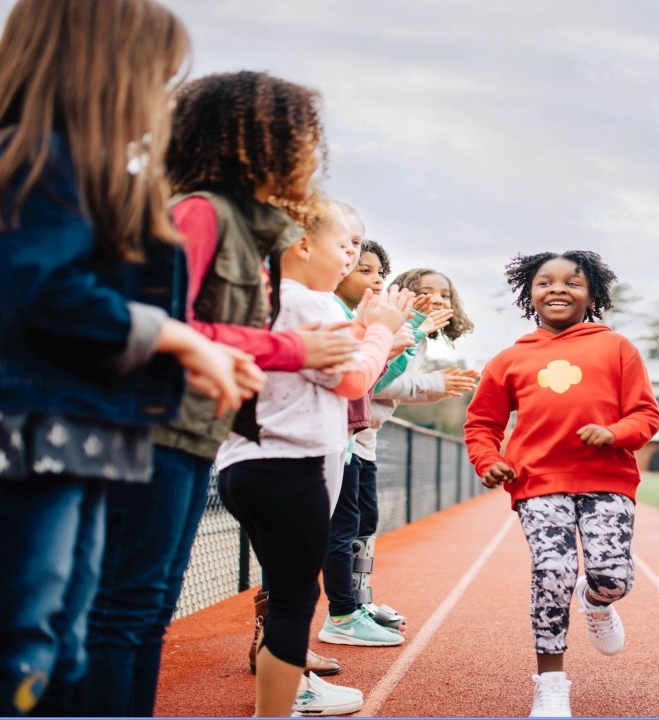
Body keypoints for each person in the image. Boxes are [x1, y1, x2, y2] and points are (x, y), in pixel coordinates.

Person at [0, 0, 248, 713]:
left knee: (61, 649)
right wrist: (183, 337)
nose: (162, 100)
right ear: (105, 72)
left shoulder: (78, 173)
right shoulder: (37, 159)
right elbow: (47, 294)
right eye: (157, 78)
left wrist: (176, 351)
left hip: (70, 439)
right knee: (15, 651)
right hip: (15, 442)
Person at [82, 69, 358, 716]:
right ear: (254, 142)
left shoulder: (247, 228)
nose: (314, 158)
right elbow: (163, 325)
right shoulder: (199, 213)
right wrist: (291, 350)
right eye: (303, 140)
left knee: (151, 609)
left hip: (193, 432)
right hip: (154, 429)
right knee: (129, 605)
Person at [215, 200, 412, 717]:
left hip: (244, 464)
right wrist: (380, 333)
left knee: (283, 589)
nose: (351, 257)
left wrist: (369, 333)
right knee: (293, 601)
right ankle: (279, 705)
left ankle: (287, 690)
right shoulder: (313, 302)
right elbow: (351, 381)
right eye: (343, 244)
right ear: (303, 244)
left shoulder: (272, 299)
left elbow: (326, 366)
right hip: (292, 467)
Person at [465, 251, 659, 718]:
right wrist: (488, 461)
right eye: (544, 282)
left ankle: (595, 602)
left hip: (607, 480)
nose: (557, 289)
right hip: (538, 482)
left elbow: (647, 414)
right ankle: (550, 682)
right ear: (528, 294)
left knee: (613, 578)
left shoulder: (617, 348)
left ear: (592, 295)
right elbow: (481, 424)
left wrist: (614, 433)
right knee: (551, 570)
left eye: (572, 283)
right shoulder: (509, 359)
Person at [341, 267, 477, 636]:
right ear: (401, 291)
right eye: (425, 290)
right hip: (348, 438)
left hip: (365, 440)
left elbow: (392, 389)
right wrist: (433, 381)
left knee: (365, 524)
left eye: (444, 294)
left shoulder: (421, 336)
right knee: (347, 527)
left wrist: (438, 387)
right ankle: (344, 612)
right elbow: (377, 380)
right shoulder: (401, 328)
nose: (436, 299)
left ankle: (360, 602)